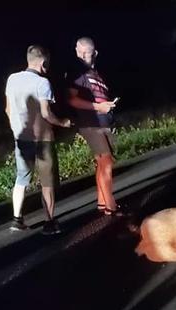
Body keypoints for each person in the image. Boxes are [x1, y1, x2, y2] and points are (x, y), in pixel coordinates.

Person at [5, 45, 72, 234]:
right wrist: (62, 123)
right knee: (47, 182)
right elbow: (46, 113)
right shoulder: (42, 83)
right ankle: (49, 222)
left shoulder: (12, 79)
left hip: (21, 139)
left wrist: (15, 129)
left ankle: (17, 219)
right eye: (47, 63)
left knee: (21, 178)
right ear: (43, 62)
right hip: (42, 140)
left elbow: (8, 110)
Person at [66, 37, 122, 216]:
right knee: (106, 163)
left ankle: (102, 202)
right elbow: (72, 99)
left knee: (102, 163)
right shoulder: (77, 71)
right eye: (79, 51)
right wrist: (98, 107)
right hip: (91, 123)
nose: (82, 55)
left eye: (86, 52)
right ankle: (111, 207)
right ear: (75, 50)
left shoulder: (95, 72)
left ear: (95, 53)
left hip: (103, 122)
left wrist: (107, 106)